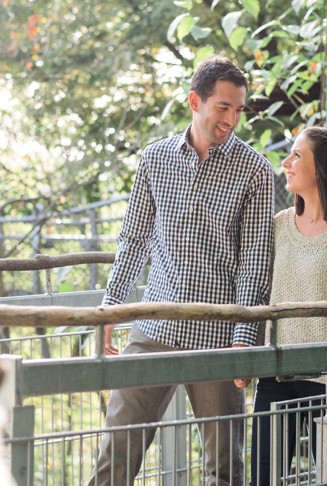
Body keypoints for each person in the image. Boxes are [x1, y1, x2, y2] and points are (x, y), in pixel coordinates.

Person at [87, 56, 275, 486]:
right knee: (115, 452)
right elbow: (133, 240)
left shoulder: (256, 172)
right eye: (223, 107)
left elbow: (255, 262)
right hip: (155, 327)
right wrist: (110, 310)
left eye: (239, 109)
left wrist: (243, 341)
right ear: (195, 101)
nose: (232, 119)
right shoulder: (155, 160)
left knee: (224, 469)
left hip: (219, 337)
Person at [235, 126, 327, 486]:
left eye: (297, 156)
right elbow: (256, 293)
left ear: (323, 168)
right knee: (264, 480)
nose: (286, 163)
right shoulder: (278, 226)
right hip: (276, 375)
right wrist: (247, 352)